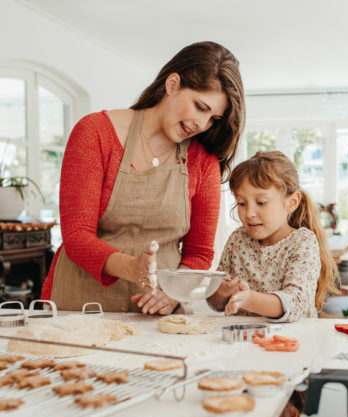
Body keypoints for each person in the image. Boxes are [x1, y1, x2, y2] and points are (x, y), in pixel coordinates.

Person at [42, 41, 245, 314]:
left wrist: (174, 293)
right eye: (200, 106)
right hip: (80, 305)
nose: (202, 124)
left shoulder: (203, 161)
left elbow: (199, 252)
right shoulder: (95, 133)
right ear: (172, 84)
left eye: (213, 118)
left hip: (157, 312)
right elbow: (77, 236)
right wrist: (132, 268)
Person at [207, 151, 339, 321]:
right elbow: (216, 302)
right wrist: (220, 292)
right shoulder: (238, 239)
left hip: (294, 340)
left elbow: (296, 302)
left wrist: (248, 299)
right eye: (241, 203)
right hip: (246, 342)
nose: (249, 213)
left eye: (261, 202)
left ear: (291, 202)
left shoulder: (302, 242)